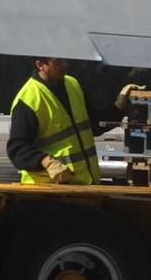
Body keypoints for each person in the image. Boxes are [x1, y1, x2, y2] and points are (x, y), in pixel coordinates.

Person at [7, 56, 102, 185]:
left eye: (65, 60)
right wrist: (46, 162)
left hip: (84, 185)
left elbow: (94, 125)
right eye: (58, 61)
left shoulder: (72, 84)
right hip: (48, 190)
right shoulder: (28, 99)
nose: (65, 65)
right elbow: (17, 149)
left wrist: (120, 105)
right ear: (40, 65)